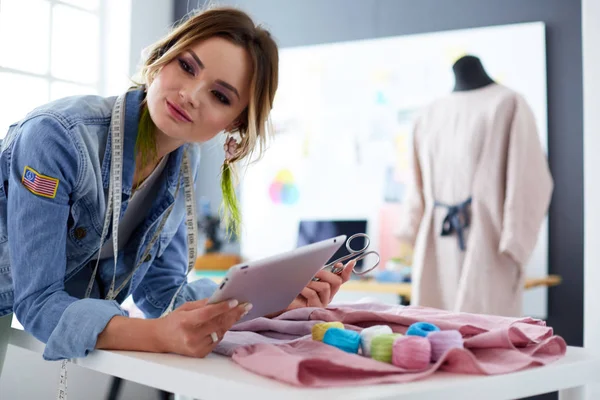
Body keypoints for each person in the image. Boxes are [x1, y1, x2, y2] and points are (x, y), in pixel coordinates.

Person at [0, 6, 355, 373]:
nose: (190, 95)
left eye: (220, 95)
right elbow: (38, 302)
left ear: (234, 123)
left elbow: (162, 297)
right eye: (187, 66)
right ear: (162, 56)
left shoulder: (184, 163)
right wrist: (157, 335)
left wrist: (266, 304)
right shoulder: (57, 137)